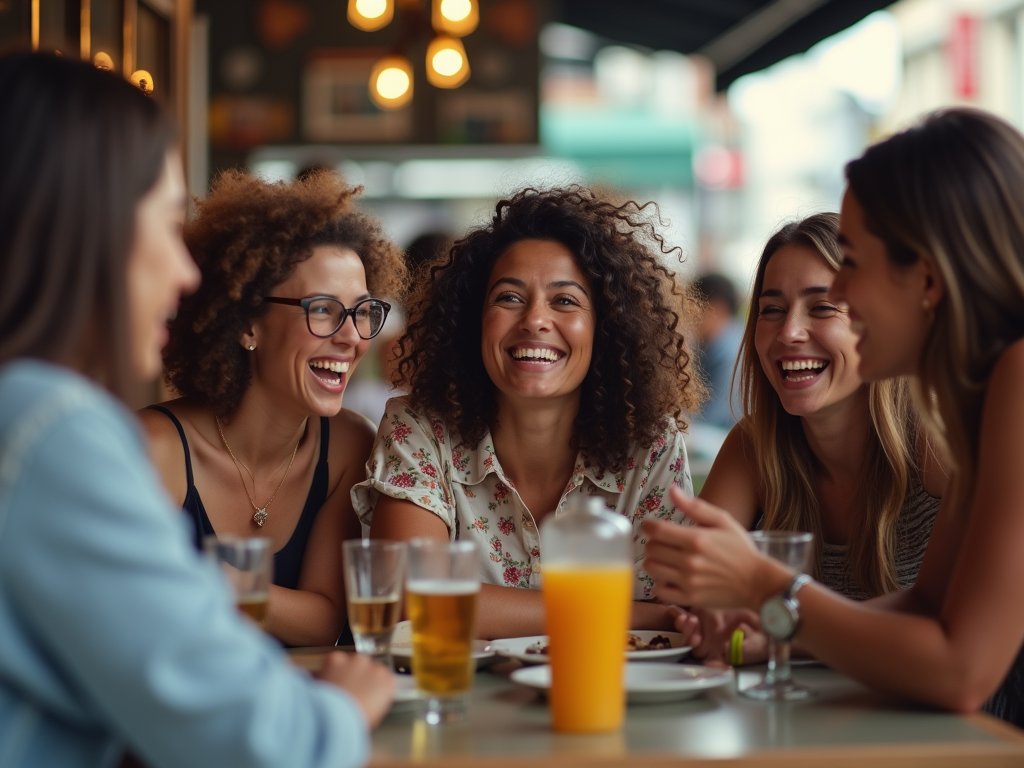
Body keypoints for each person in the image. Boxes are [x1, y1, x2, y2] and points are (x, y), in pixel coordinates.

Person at [0, 52, 393, 768]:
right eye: (161, 222)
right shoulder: (48, 427)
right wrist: (347, 706)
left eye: (363, 312)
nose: (184, 275)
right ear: (83, 231)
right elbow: (254, 740)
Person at [643, 108, 1024, 726]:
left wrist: (767, 586)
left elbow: (962, 670)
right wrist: (780, 629)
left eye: (853, 262)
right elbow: (930, 605)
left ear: (926, 271)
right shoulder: (982, 396)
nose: (841, 295)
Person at [352, 186, 703, 639]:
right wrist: (632, 615)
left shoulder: (650, 445)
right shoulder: (419, 430)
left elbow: (681, 603)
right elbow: (410, 597)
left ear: (607, 327)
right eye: (509, 298)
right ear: (472, 320)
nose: (535, 319)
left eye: (565, 301)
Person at [139, 169, 406, 648]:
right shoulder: (155, 450)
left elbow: (326, 619)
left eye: (362, 311)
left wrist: (216, 580)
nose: (350, 337)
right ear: (246, 325)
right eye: (322, 309)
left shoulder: (348, 445)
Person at [676, 214, 942, 664]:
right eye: (772, 310)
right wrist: (714, 616)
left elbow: (946, 615)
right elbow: (698, 595)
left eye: (822, 307)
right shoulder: (752, 446)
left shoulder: (936, 440)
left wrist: (782, 632)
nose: (789, 332)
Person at [692, 272, 744, 430]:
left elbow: (712, 421)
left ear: (716, 308)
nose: (687, 315)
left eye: (692, 305)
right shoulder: (717, 343)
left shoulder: (730, 349)